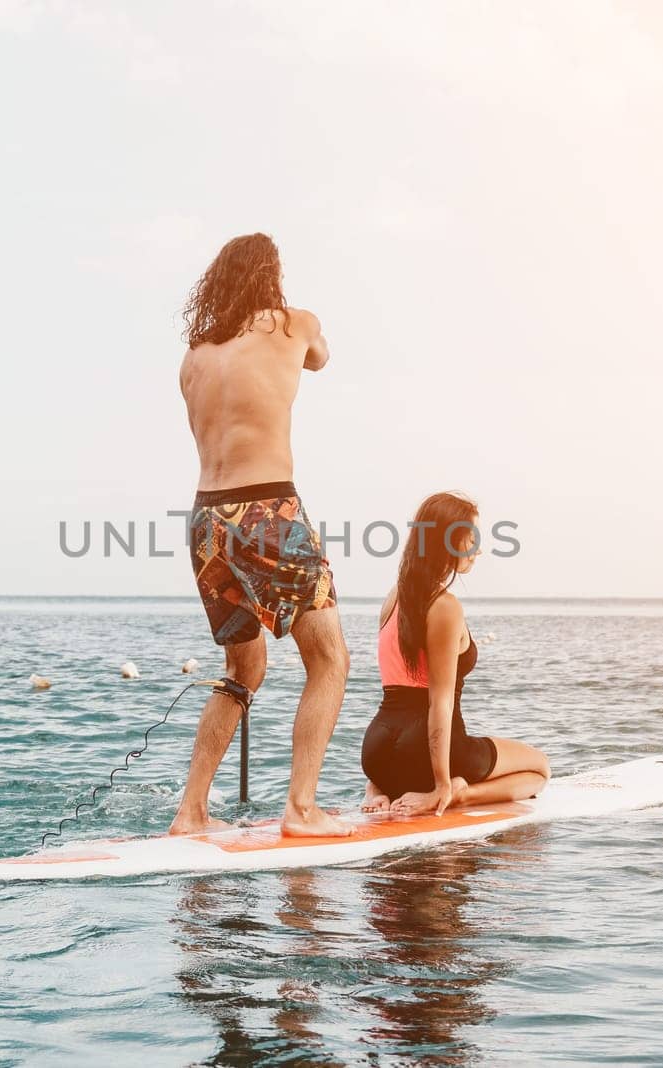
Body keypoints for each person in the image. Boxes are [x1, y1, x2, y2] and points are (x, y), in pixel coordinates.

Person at [172, 233, 352, 838]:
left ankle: (190, 811)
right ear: (272, 277)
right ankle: (301, 809)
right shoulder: (294, 323)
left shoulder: (194, 358)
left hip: (205, 521)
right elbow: (321, 357)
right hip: (267, 509)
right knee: (329, 658)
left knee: (242, 671)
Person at [361, 492, 550, 816]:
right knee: (539, 770)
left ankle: (378, 790)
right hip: (426, 751)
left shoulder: (394, 598)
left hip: (376, 750)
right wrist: (442, 786)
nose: (478, 548)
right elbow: (440, 703)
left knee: (409, 752)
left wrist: (377, 779)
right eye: (471, 537)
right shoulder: (444, 606)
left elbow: (398, 689)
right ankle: (464, 794)